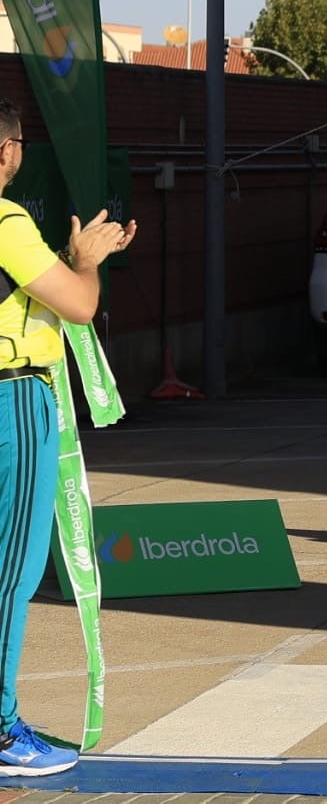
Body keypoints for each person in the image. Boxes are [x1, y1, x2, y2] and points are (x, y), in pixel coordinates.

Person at [0, 101, 135, 776]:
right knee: (10, 573)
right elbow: (78, 304)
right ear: (7, 153)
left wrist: (60, 261)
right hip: (10, 396)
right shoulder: (6, 220)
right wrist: (84, 262)